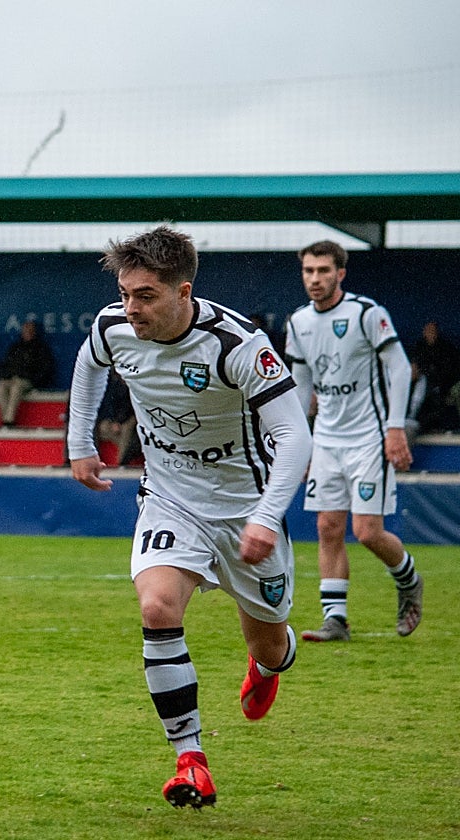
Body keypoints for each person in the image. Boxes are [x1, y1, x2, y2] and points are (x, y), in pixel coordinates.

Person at [67, 224, 312, 810]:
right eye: (125, 294)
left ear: (183, 290)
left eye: (145, 296)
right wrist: (79, 441)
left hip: (247, 509)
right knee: (156, 605)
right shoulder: (112, 327)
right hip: (171, 498)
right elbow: (89, 363)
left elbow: (294, 436)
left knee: (270, 641)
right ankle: (190, 759)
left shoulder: (238, 346)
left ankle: (269, 661)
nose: (130, 309)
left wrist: (268, 517)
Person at [285, 240, 423, 643]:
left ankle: (408, 579)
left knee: (366, 531)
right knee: (328, 526)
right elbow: (300, 385)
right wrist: (301, 440)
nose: (315, 278)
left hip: (368, 438)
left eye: (323, 270)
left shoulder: (366, 313)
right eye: (309, 271)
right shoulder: (298, 323)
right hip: (327, 438)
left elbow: (398, 367)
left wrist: (395, 428)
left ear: (340, 273)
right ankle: (336, 620)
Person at [0, 320, 54, 426]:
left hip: (27, 381)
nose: (28, 333)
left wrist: (35, 380)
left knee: (16, 388)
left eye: (30, 330)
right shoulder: (15, 347)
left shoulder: (40, 348)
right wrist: (7, 375)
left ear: (34, 332)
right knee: (0, 388)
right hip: (11, 379)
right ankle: (5, 419)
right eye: (25, 330)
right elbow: (5, 365)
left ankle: (9, 421)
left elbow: (44, 369)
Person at [410, 320, 460, 433]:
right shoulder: (419, 346)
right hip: (423, 384)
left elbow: (450, 371)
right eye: (427, 331)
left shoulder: (446, 348)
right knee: (420, 382)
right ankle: (410, 417)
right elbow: (413, 368)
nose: (429, 333)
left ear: (437, 333)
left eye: (432, 331)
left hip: (443, 385)